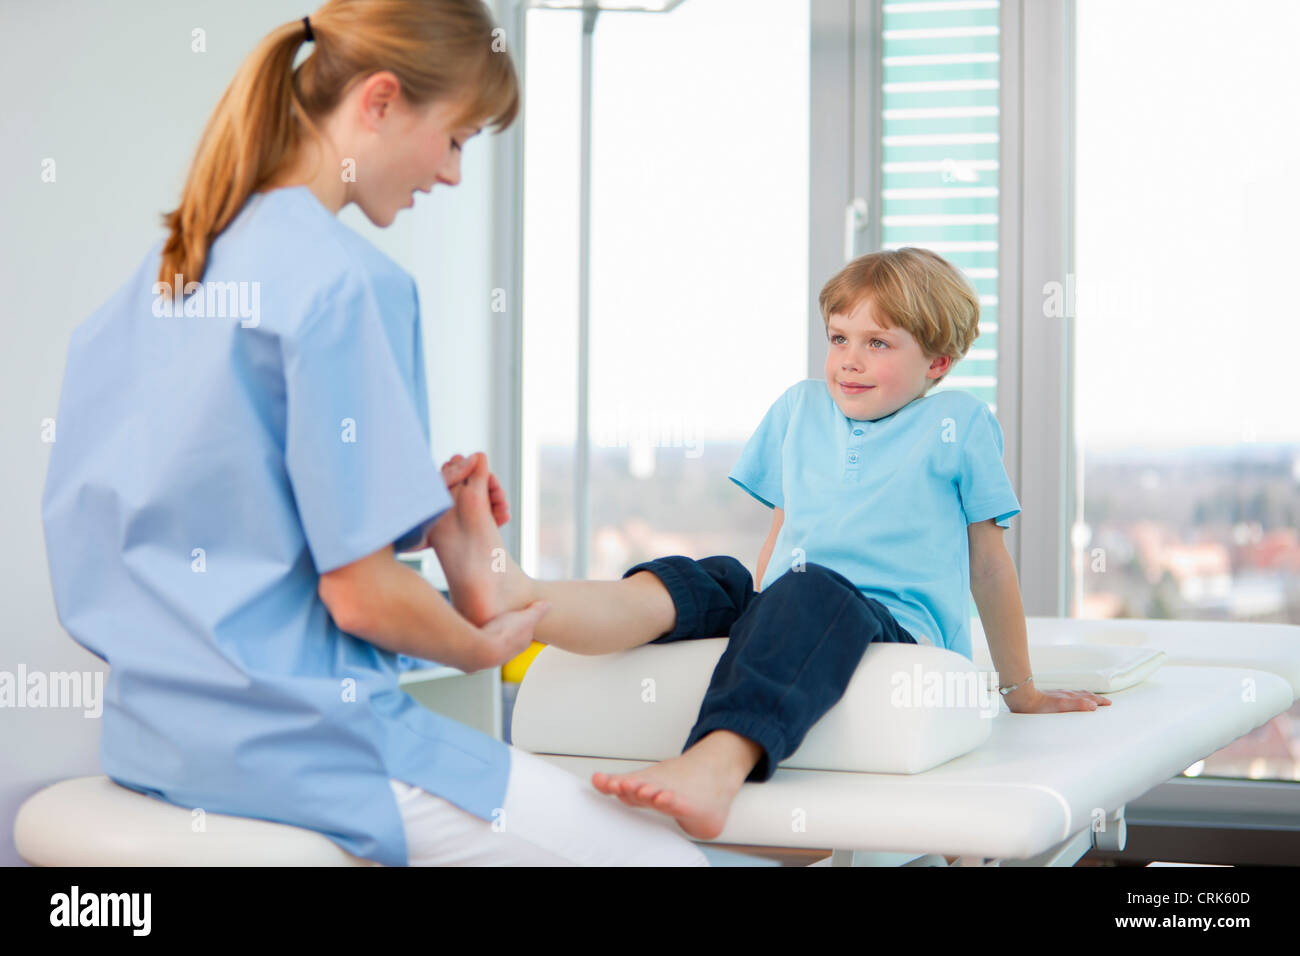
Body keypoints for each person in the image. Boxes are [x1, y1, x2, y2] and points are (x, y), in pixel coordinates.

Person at [41, 1, 707, 867]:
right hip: (313, 745)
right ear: (382, 101)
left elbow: (199, 508)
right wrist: (484, 642)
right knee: (667, 863)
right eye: (459, 137)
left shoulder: (157, 283)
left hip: (155, 742)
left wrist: (406, 505)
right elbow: (359, 597)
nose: (457, 175)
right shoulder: (345, 284)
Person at [434, 247, 1112, 846]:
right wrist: (758, 610)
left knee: (813, 588)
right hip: (797, 599)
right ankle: (517, 595)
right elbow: (785, 528)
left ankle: (713, 765)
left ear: (937, 360)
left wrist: (1019, 690)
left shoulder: (958, 422)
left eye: (879, 343)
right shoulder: (799, 408)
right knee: (716, 578)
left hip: (895, 629)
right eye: (839, 336)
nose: (849, 358)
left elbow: (989, 566)